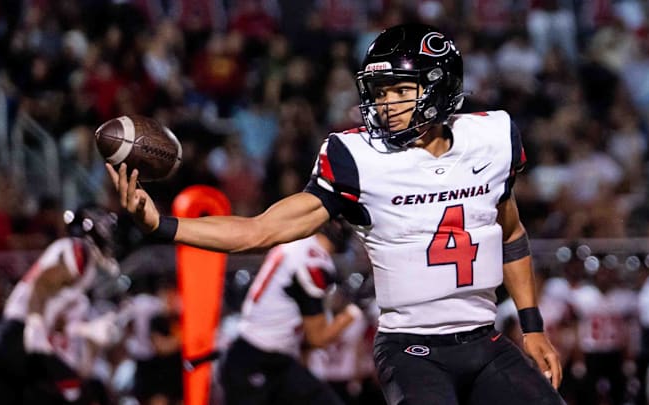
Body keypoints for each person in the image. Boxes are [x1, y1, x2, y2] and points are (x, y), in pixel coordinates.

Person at [107, 23, 565, 405]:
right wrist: (162, 225)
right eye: (381, 92)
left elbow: (510, 233)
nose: (387, 105)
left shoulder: (491, 138)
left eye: (402, 90)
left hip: (485, 339)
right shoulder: (358, 158)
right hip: (411, 348)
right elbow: (260, 230)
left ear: (440, 89)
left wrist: (531, 326)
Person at [0, 205, 121, 404]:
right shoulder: (79, 251)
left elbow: (56, 318)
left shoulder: (79, 256)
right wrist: (34, 321)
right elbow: (43, 282)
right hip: (17, 339)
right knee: (70, 389)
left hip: (15, 341)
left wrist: (86, 330)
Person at [218, 219, 361, 405]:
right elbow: (317, 338)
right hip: (256, 358)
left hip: (269, 357)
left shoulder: (296, 243)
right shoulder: (313, 262)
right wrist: (353, 312)